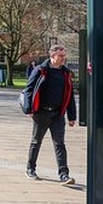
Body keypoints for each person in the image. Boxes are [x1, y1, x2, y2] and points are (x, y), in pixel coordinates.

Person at [22, 45, 77, 185]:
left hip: (58, 114)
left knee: (60, 144)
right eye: (61, 56)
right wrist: (29, 109)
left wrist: (72, 116)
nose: (63, 59)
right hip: (41, 113)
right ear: (52, 56)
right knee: (36, 141)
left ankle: (64, 174)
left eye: (64, 56)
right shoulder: (40, 70)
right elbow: (29, 89)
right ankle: (30, 169)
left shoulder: (66, 73)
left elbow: (69, 95)